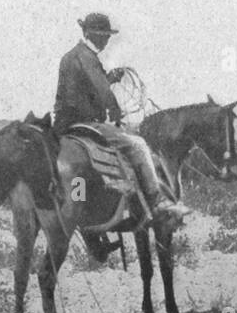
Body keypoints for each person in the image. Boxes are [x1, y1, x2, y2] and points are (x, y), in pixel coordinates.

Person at [53, 13, 176, 223]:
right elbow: (102, 92)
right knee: (137, 145)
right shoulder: (88, 57)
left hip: (63, 125)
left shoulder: (71, 56)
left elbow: (88, 86)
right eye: (102, 36)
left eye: (106, 36)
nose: (105, 40)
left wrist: (109, 78)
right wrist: (116, 111)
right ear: (90, 34)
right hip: (85, 123)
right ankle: (157, 202)